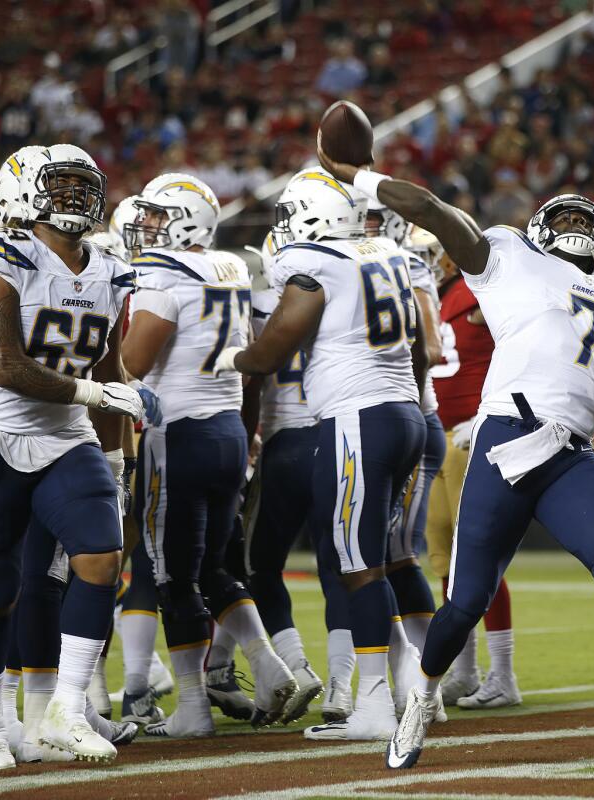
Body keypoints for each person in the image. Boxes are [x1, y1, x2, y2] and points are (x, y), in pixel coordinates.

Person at [316, 151, 594, 778]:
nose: (578, 229)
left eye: (589, 223)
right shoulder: (508, 256)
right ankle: (422, 701)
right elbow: (429, 209)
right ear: (538, 227)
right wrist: (357, 178)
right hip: (505, 438)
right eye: (565, 217)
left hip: (570, 454)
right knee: (466, 601)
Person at [0, 144, 152, 768]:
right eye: (59, 186)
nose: (75, 199)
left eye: (81, 186)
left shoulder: (110, 266)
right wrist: (95, 392)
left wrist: (115, 454)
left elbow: (112, 363)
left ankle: (65, 707)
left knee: (100, 555)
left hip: (68, 438)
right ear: (19, 194)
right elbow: (5, 364)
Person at [214, 168, 428, 742]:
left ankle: (377, 704)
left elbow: (267, 354)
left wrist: (218, 360)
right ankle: (412, 690)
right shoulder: (387, 251)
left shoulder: (315, 264)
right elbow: (422, 348)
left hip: (360, 417)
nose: (284, 227)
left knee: (357, 566)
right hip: (405, 412)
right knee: (371, 560)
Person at [122, 173, 297, 736]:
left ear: (186, 221)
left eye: (157, 217)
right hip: (225, 428)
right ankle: (269, 667)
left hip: (177, 435)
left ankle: (194, 708)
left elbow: (132, 363)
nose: (147, 227)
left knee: (172, 575)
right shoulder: (230, 268)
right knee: (214, 566)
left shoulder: (161, 277)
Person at [239, 228, 341, 724]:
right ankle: (356, 688)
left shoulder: (260, 305)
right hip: (335, 435)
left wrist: (246, 436)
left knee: (259, 568)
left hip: (286, 444)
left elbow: (251, 377)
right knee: (346, 569)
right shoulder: (341, 294)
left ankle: (296, 665)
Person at [416, 225, 520, 709]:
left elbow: (519, 345)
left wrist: (487, 414)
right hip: (435, 435)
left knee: (479, 553)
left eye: (426, 254)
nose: (420, 262)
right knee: (443, 555)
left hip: (474, 433)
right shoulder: (420, 298)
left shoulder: (476, 292)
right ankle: (466, 669)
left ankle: (503, 674)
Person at [366, 201, 444, 713]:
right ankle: (422, 681)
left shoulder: (406, 264)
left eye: (373, 218)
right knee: (387, 555)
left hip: (411, 418)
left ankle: (426, 682)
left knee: (397, 555)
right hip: (398, 417)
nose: (364, 225)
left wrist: (409, 397)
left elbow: (429, 347)